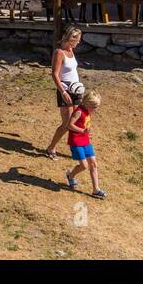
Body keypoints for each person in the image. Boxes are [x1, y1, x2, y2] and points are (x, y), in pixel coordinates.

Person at [45, 26, 84, 158]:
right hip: (66, 91)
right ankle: (51, 148)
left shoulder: (71, 50)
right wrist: (63, 92)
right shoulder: (59, 52)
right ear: (71, 39)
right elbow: (55, 74)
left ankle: (77, 149)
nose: (79, 42)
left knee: (76, 121)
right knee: (67, 124)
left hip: (76, 90)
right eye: (77, 40)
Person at [63, 91, 105, 198]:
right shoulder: (79, 112)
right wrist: (82, 131)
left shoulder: (87, 111)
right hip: (76, 141)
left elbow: (84, 123)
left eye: (97, 106)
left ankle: (96, 189)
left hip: (85, 140)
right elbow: (69, 125)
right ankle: (70, 176)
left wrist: (87, 129)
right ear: (87, 103)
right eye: (94, 106)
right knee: (84, 166)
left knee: (94, 164)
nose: (96, 109)